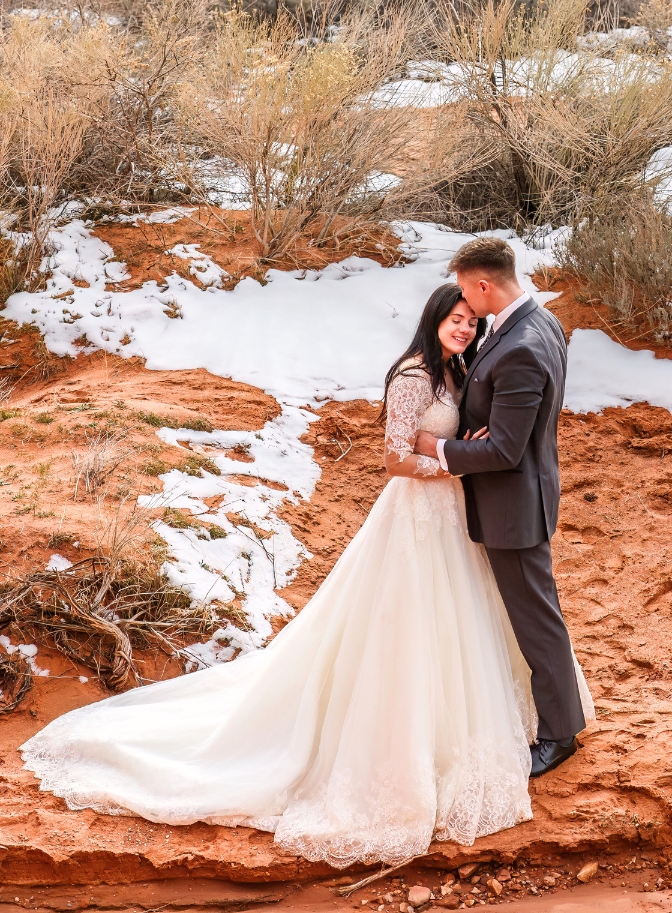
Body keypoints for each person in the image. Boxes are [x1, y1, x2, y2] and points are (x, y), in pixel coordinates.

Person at [20, 283, 593, 869]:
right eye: (455, 320)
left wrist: (448, 446)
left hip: (455, 517)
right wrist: (443, 454)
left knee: (465, 620)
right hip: (418, 515)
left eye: (471, 321)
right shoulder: (415, 375)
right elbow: (395, 458)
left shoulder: (458, 369)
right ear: (434, 320)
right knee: (408, 622)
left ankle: (484, 728)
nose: (464, 329)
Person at [414, 238, 589, 777]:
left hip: (513, 505)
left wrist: (439, 447)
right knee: (536, 613)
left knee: (537, 619)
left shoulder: (519, 345)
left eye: (467, 290)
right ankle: (557, 718)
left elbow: (503, 450)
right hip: (526, 492)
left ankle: (559, 736)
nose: (464, 302)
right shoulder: (540, 323)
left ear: (483, 285)